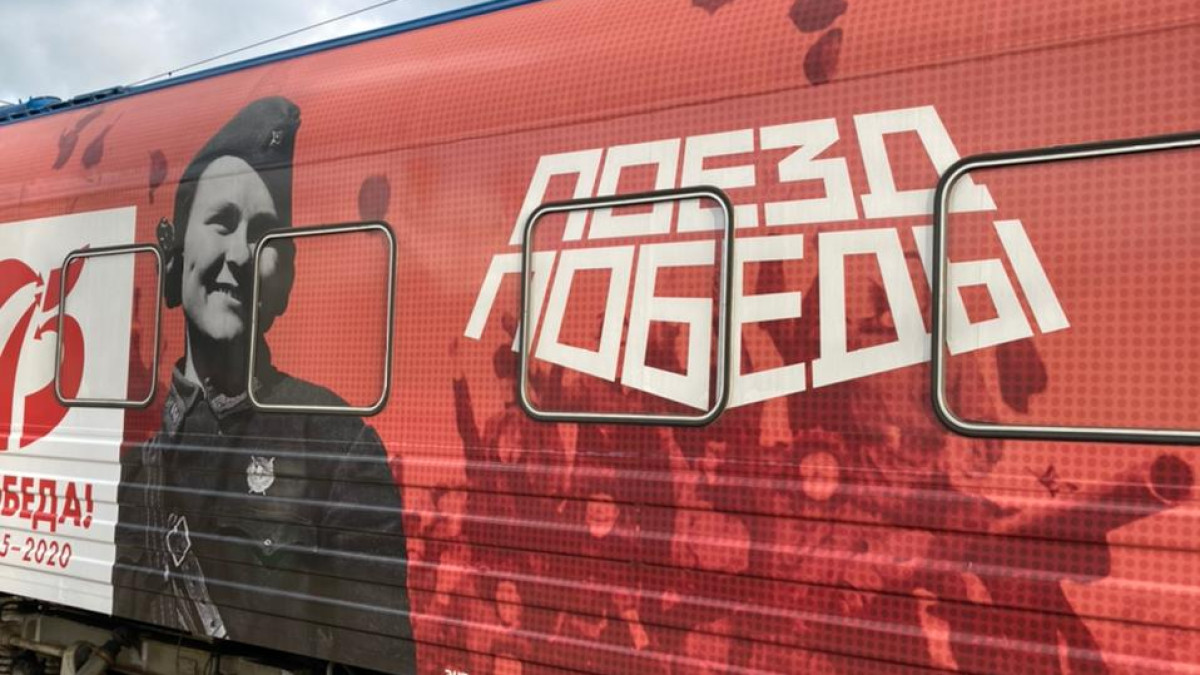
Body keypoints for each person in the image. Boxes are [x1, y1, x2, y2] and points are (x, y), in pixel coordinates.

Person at [115, 97, 415, 673]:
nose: (241, 254)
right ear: (175, 258)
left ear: (285, 279)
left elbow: (378, 653)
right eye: (222, 222)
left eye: (264, 234)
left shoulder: (336, 445)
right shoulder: (142, 466)